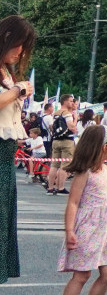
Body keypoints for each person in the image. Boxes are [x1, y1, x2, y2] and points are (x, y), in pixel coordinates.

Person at [58, 124, 107, 295]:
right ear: (104, 147)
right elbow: (73, 202)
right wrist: (69, 230)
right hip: (88, 229)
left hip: (105, 229)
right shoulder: (85, 172)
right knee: (82, 275)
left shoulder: (105, 168)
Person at [0, 15, 34, 283]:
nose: (21, 52)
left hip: (5, 158)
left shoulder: (6, 71)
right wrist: (18, 91)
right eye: (20, 44)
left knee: (3, 221)